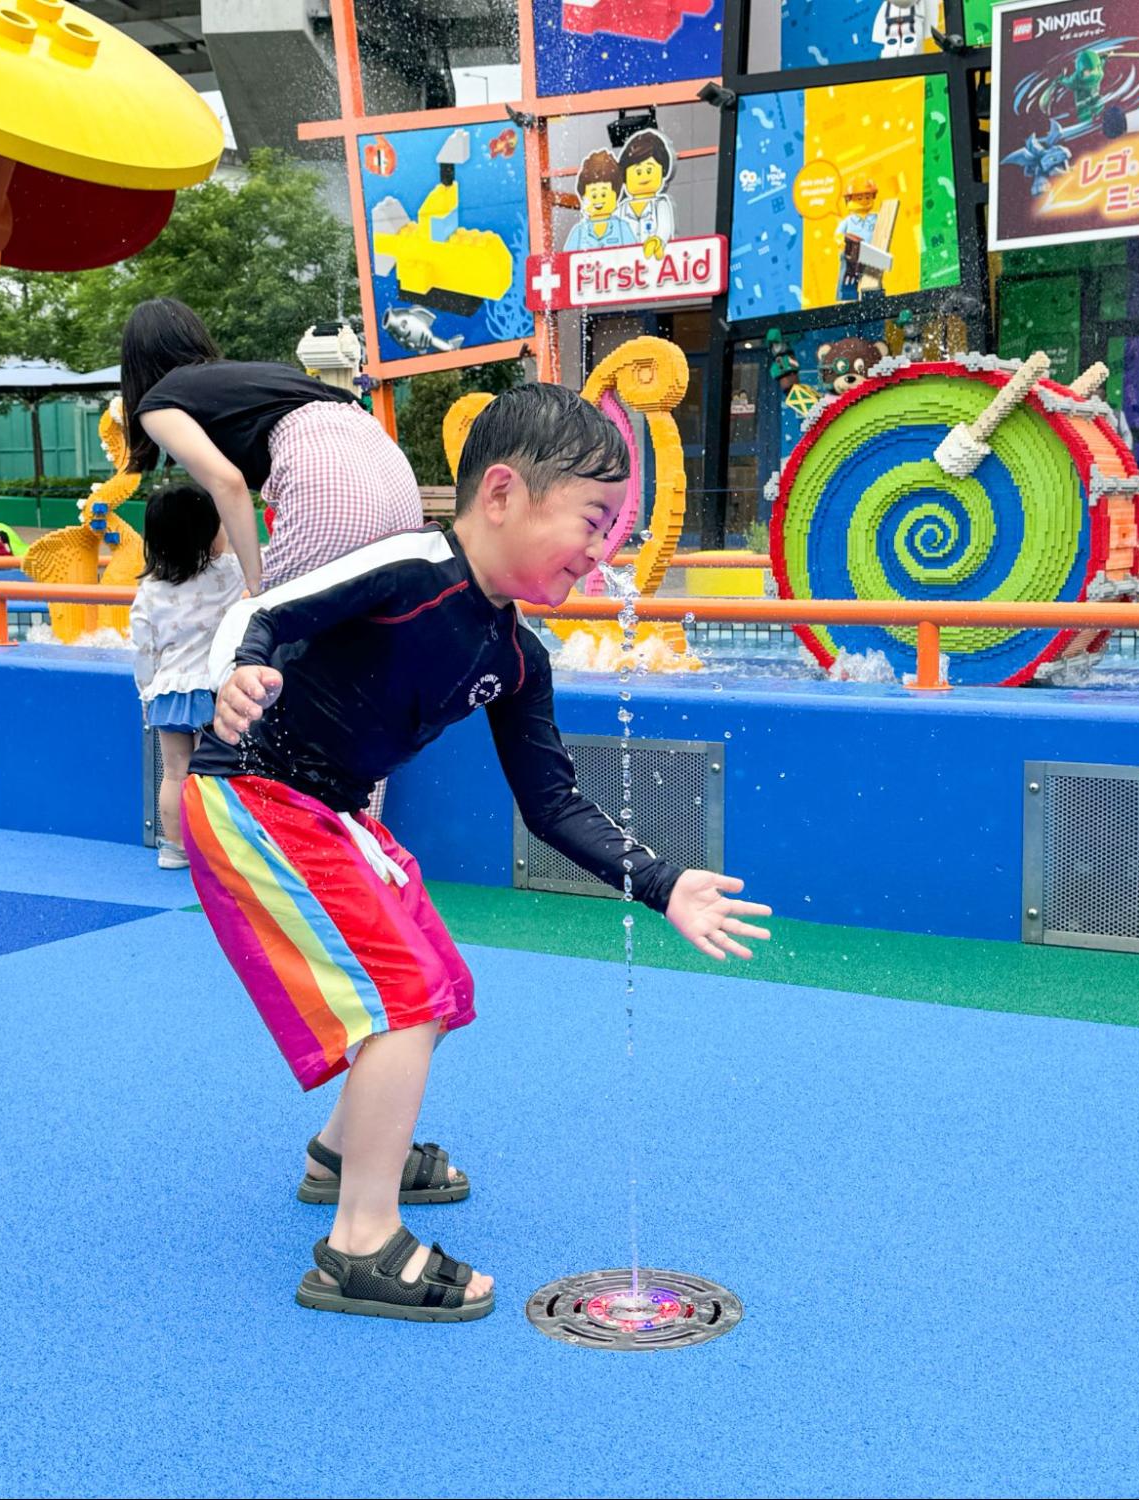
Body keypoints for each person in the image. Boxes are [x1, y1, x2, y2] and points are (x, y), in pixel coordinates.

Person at [182, 383, 773, 1322]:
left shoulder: (517, 654)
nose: (603, 548)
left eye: (612, 526)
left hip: (331, 813)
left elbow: (550, 804)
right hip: (254, 794)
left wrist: (661, 886)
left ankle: (342, 1151)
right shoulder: (413, 569)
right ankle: (357, 1245)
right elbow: (273, 609)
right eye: (592, 517)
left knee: (440, 984)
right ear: (502, 493)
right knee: (400, 1003)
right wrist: (243, 670)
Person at [121, 298, 421, 595]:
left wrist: (257, 584)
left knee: (279, 617)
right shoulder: (255, 375)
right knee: (381, 619)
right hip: (385, 458)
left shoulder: (157, 404)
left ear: (135, 363)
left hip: (324, 466)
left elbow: (227, 482)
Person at [129, 483, 245, 871]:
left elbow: (144, 648)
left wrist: (147, 692)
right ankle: (219, 848)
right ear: (209, 531)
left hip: (169, 691)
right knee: (219, 773)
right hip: (216, 689)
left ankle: (175, 848)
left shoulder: (150, 589)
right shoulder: (229, 571)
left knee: (176, 771)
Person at [610, 128, 676, 259]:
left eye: (649, 170)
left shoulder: (660, 205)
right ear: (625, 177)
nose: (644, 177)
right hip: (625, 267)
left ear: (662, 172)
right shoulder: (621, 210)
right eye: (638, 172)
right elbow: (613, 233)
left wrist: (658, 241)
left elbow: (665, 227)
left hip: (656, 264)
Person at [563, 149, 632, 252]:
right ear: (583, 197)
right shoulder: (578, 232)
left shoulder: (622, 228)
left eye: (604, 194)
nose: (599, 200)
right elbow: (566, 263)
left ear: (616, 195)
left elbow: (635, 254)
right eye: (594, 195)